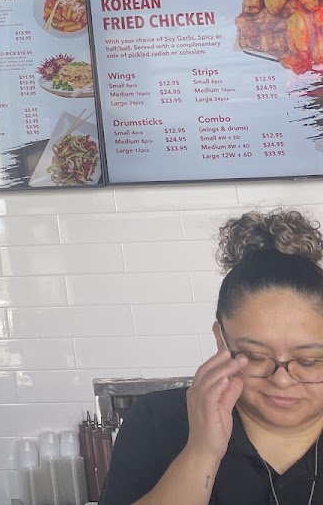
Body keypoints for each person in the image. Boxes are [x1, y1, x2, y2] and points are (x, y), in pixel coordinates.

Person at [101, 209, 323, 505]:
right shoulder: (158, 422)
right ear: (222, 340)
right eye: (255, 356)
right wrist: (201, 451)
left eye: (309, 361)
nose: (282, 380)